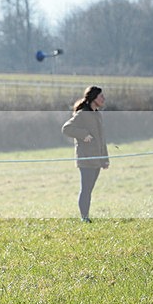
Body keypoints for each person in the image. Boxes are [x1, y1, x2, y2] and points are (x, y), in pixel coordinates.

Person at [61, 86, 109, 222]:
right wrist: (83, 135)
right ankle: (84, 218)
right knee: (86, 189)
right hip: (86, 159)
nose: (103, 99)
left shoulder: (98, 114)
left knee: (90, 189)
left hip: (97, 159)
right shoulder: (82, 114)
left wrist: (105, 159)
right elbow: (66, 128)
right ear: (94, 98)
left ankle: (86, 216)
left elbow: (102, 139)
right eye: (101, 97)